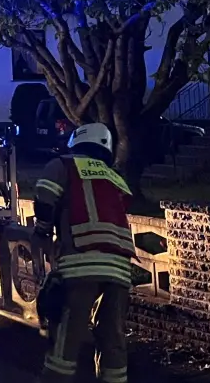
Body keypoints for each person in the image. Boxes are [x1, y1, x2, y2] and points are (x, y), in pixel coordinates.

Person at [29, 123, 133, 383]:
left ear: (76, 143)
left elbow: (45, 196)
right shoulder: (115, 177)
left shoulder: (63, 165)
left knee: (67, 335)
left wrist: (42, 231)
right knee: (113, 337)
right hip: (120, 269)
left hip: (80, 264)